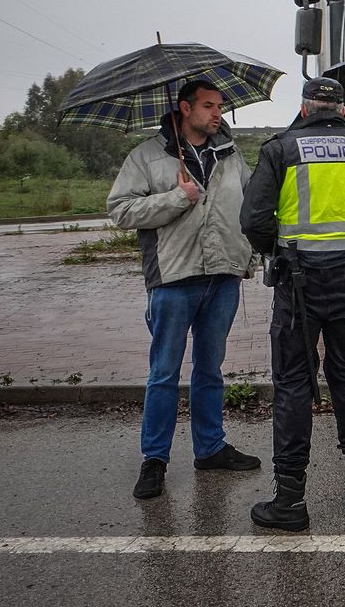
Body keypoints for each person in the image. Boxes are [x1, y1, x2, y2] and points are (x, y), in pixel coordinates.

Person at [240, 76, 345, 532]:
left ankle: (290, 501)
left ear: (305, 108)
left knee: (293, 385)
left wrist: (282, 249)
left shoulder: (281, 149)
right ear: (344, 110)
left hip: (298, 285)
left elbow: (253, 220)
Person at [109, 80, 261, 500]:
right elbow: (120, 210)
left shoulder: (230, 155)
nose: (218, 114)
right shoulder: (147, 156)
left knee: (210, 369)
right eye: (209, 106)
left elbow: (248, 206)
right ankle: (154, 460)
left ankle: (210, 449)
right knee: (163, 374)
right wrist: (177, 198)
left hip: (222, 279)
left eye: (221, 106)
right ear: (184, 107)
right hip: (174, 281)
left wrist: (246, 258)